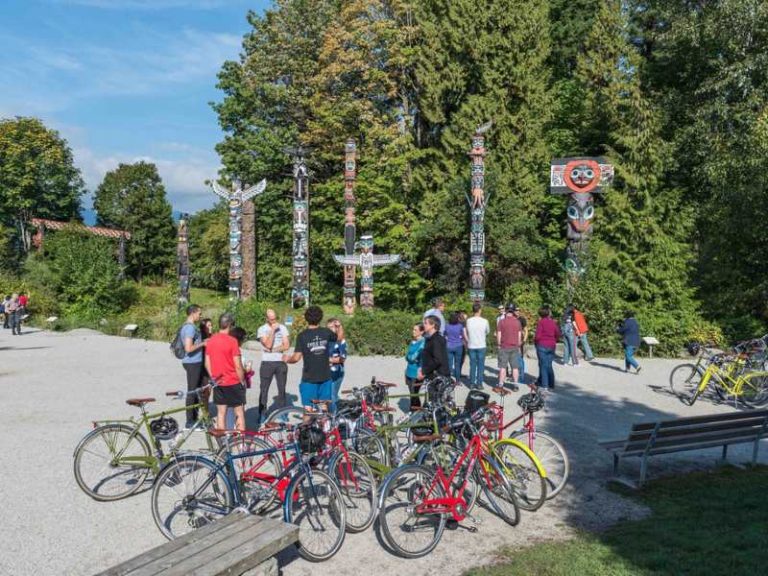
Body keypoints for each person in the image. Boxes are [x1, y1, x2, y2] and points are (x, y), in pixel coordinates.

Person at [283, 305, 337, 410]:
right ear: (320, 317)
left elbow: (296, 358)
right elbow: (338, 338)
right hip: (325, 376)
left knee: (308, 410)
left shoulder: (302, 336)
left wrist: (287, 359)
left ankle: (309, 426)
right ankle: (322, 426)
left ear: (306, 318)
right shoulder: (326, 332)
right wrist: (338, 327)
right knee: (323, 408)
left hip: (309, 378)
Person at [205, 312, 247, 431]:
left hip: (218, 382)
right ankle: (241, 444)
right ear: (230, 325)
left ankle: (223, 443)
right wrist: (242, 380)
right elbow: (238, 365)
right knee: (239, 412)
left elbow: (207, 363)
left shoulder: (211, 340)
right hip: (233, 381)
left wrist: (213, 377)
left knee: (221, 413)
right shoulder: (232, 341)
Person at [256, 309, 290, 418]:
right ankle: (262, 412)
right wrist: (272, 331)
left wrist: (273, 350)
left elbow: (286, 345)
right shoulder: (262, 329)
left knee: (282, 388)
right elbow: (268, 345)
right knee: (264, 389)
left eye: (275, 318)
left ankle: (282, 412)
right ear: (266, 318)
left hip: (280, 361)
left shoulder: (283, 328)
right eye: (271, 319)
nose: (274, 321)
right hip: (267, 362)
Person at [180, 305, 206, 428]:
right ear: (193, 313)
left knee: (196, 390)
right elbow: (188, 348)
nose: (200, 316)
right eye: (199, 313)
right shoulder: (190, 328)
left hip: (194, 362)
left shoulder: (188, 326)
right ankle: (189, 421)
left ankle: (194, 419)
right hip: (192, 363)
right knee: (192, 390)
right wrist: (203, 343)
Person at [534, 305, 561, 391]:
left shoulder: (541, 322)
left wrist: (536, 342)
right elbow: (558, 334)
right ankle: (551, 384)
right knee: (549, 365)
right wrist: (554, 340)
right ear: (548, 313)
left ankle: (544, 385)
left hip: (542, 345)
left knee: (543, 366)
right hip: (551, 345)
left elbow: (537, 336)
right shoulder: (553, 322)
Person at [496, 304, 522, 391]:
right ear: (513, 311)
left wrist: (499, 345)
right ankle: (515, 385)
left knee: (503, 367)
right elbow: (519, 336)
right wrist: (518, 345)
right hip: (514, 347)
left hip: (504, 346)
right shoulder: (517, 322)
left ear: (506, 311)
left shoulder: (501, 322)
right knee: (515, 367)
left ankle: (500, 384)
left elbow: (499, 335)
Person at [464, 302, 489, 389]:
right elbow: (487, 331)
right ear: (480, 310)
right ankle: (479, 383)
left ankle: (471, 383)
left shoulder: (468, 321)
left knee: (473, 365)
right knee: (481, 365)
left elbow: (466, 331)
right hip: (481, 345)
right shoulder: (485, 321)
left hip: (471, 345)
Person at [418, 315, 449, 381]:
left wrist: (424, 371)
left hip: (438, 377)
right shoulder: (431, 339)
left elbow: (437, 360)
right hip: (433, 375)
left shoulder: (436, 340)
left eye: (426, 323)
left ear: (433, 325)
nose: (423, 325)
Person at [327, 317, 347, 411]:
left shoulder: (340, 341)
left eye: (332, 327)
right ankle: (342, 409)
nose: (330, 329)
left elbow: (342, 358)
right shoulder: (326, 340)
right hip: (325, 372)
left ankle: (335, 417)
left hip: (336, 371)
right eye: (328, 327)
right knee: (330, 394)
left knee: (332, 395)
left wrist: (328, 360)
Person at [405, 323, 426, 410]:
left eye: (415, 330)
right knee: (412, 395)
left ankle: (415, 412)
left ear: (421, 332)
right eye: (413, 329)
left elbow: (413, 357)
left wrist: (410, 357)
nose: (413, 332)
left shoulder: (423, 343)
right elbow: (407, 356)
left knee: (414, 395)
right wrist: (410, 357)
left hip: (416, 373)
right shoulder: (413, 342)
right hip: (409, 372)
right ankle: (415, 412)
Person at [445, 312, 465, 382]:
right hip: (458, 346)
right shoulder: (460, 326)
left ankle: (448, 379)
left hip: (449, 346)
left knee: (449, 364)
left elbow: (445, 335)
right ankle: (458, 381)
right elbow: (462, 335)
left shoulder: (447, 325)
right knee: (457, 364)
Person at [515, 307, 529, 385]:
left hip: (520, 342)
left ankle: (522, 377)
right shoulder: (512, 318)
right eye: (516, 310)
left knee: (520, 359)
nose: (518, 311)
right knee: (514, 360)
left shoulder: (522, 319)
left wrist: (524, 341)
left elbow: (526, 330)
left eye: (519, 310)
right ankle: (515, 375)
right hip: (512, 342)